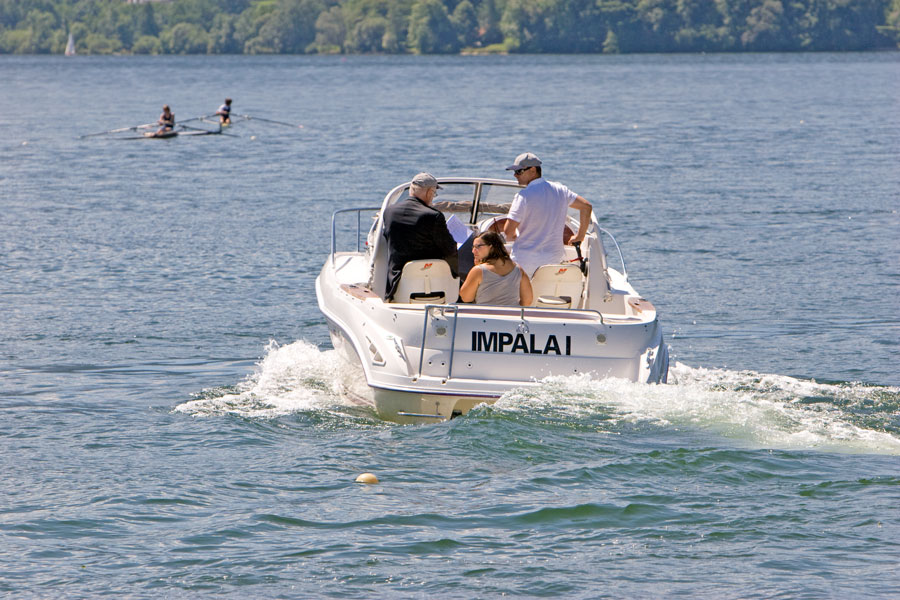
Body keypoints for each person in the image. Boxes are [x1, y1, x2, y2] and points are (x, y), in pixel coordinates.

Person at [502, 152, 593, 277]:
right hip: (553, 262)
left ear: (533, 170)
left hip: (525, 263)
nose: (515, 175)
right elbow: (586, 206)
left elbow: (508, 231)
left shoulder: (523, 196)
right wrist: (580, 235)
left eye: (519, 171)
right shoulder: (560, 190)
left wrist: (514, 236)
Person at [382, 172, 459, 301]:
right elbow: (450, 249)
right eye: (434, 193)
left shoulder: (389, 211)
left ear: (411, 190)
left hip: (398, 285)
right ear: (429, 193)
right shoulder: (433, 216)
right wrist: (456, 273)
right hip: (434, 287)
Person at [459, 231, 533, 306]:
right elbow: (528, 300)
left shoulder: (478, 271)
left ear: (491, 247)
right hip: (511, 316)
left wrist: (476, 267)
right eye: (473, 247)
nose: (473, 251)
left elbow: (466, 298)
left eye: (478, 246)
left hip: (485, 316)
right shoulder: (518, 269)